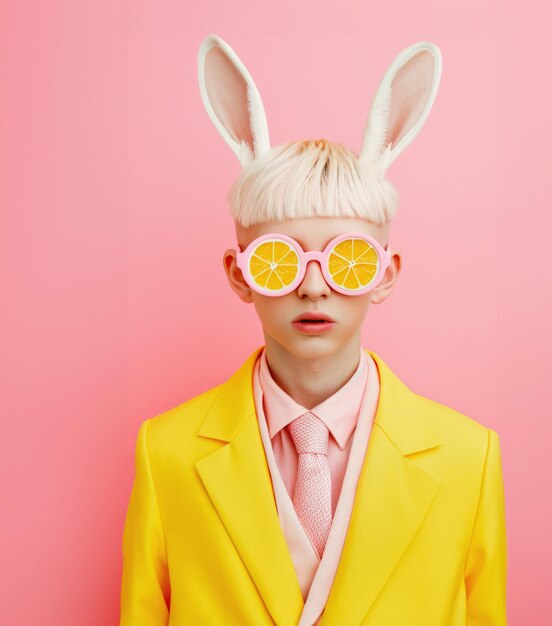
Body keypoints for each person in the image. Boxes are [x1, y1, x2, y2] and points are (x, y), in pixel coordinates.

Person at [119, 34, 507, 626]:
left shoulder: (465, 455)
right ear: (239, 273)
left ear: (385, 273)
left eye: (347, 257)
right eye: (280, 258)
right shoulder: (165, 451)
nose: (314, 285)